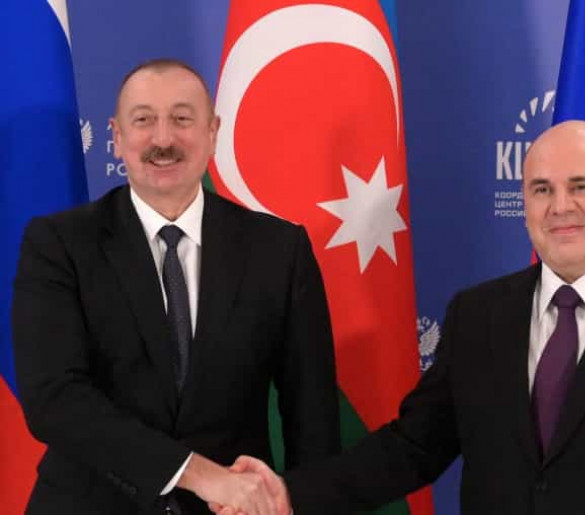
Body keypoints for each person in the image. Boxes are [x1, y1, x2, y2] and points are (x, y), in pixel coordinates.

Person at [232, 120, 585, 514]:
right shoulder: (478, 315)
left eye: (581, 186)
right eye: (541, 190)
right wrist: (288, 493)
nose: (560, 207)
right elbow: (413, 447)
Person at [11, 58, 340, 515]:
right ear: (116, 136)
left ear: (212, 131)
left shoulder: (280, 250)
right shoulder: (58, 244)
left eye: (182, 119)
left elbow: (313, 418)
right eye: (143, 120)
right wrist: (201, 475)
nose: (162, 139)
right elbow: (54, 400)